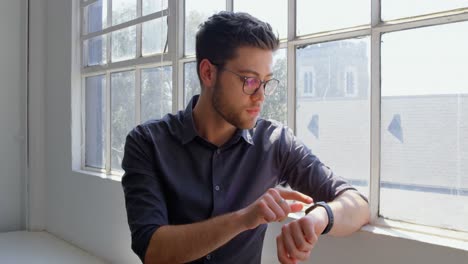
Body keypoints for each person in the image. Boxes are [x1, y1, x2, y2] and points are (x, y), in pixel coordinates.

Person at [121, 11, 369, 264]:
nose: (260, 96)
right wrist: (243, 219)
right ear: (208, 73)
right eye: (249, 80)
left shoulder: (275, 142)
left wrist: (318, 218)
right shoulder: (147, 142)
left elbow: (357, 204)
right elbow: (152, 250)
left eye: (266, 82)